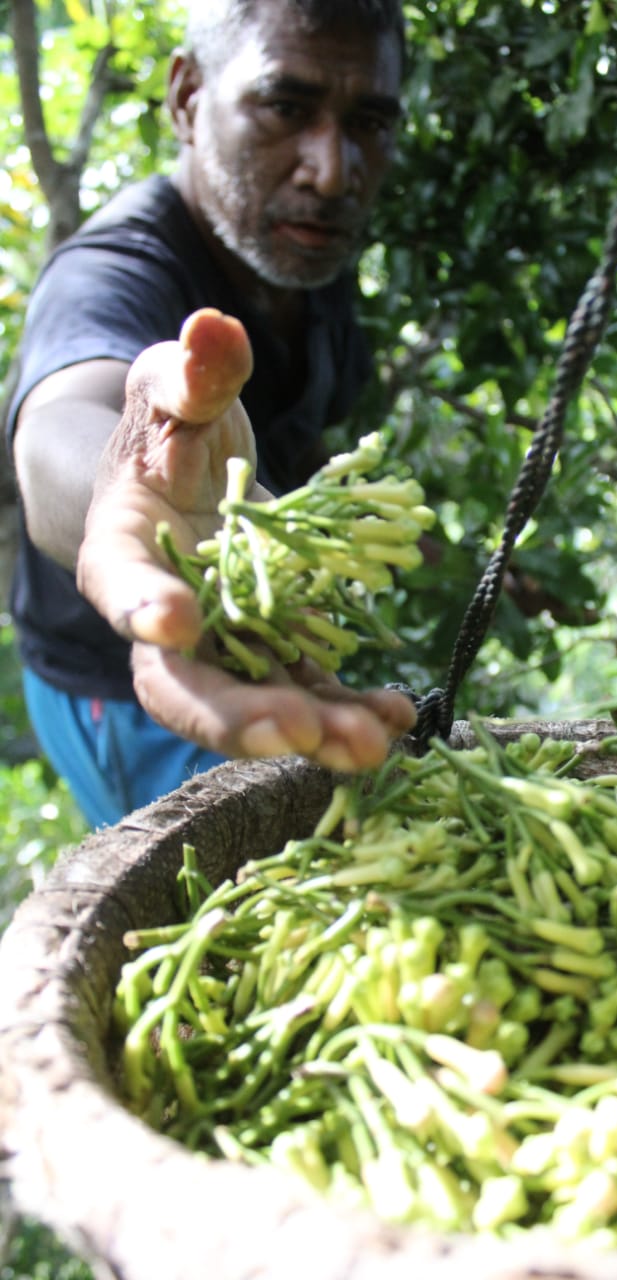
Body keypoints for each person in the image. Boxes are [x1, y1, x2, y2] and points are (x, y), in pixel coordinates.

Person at [5, 0, 418, 829]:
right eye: (286, 107)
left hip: (249, 640)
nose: (332, 170)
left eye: (368, 120)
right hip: (127, 686)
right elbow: (61, 424)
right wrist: (139, 478)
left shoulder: (304, 255)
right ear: (188, 99)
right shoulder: (113, 270)